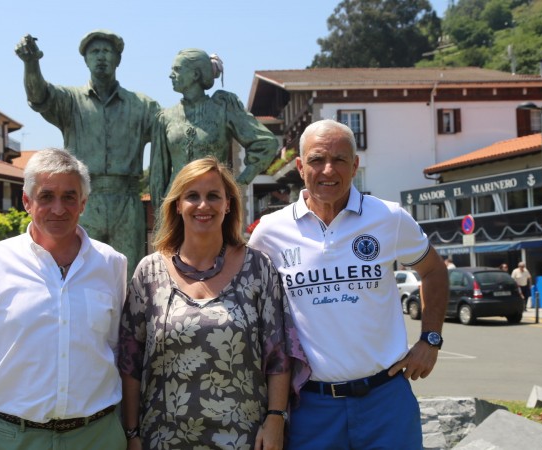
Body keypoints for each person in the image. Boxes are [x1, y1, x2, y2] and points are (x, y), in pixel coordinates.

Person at [249, 119, 449, 449]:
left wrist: (430, 339)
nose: (328, 170)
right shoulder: (270, 231)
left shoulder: (389, 217)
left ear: (355, 165)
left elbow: (434, 270)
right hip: (310, 407)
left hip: (386, 400)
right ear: (300, 167)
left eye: (339, 159)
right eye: (316, 160)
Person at [0, 149, 128, 450]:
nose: (58, 208)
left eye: (69, 197)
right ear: (27, 201)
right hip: (15, 438)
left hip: (97, 437)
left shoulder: (112, 264)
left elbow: (116, 350)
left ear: (83, 203)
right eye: (46, 196)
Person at [118, 157, 309, 450]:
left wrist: (275, 418)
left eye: (213, 196)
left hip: (244, 438)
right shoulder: (149, 272)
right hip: (163, 438)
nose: (203, 205)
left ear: (228, 204)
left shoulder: (258, 267)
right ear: (178, 205)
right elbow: (130, 363)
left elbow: (278, 355)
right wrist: (131, 434)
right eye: (192, 196)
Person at [16, 30, 160, 279]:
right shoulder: (71, 101)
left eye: (107, 51)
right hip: (83, 198)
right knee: (80, 271)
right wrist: (31, 63)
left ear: (118, 59)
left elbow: (171, 132)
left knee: (130, 274)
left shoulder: (142, 105)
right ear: (85, 60)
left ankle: (131, 319)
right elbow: (39, 96)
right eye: (94, 52)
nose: (101, 57)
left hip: (126, 199)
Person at [149, 49, 278, 211]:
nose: (171, 75)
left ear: (195, 75)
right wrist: (161, 215)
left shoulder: (223, 107)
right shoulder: (165, 118)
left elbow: (266, 143)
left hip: (213, 202)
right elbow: (158, 175)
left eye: (177, 69)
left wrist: (239, 182)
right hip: (176, 204)